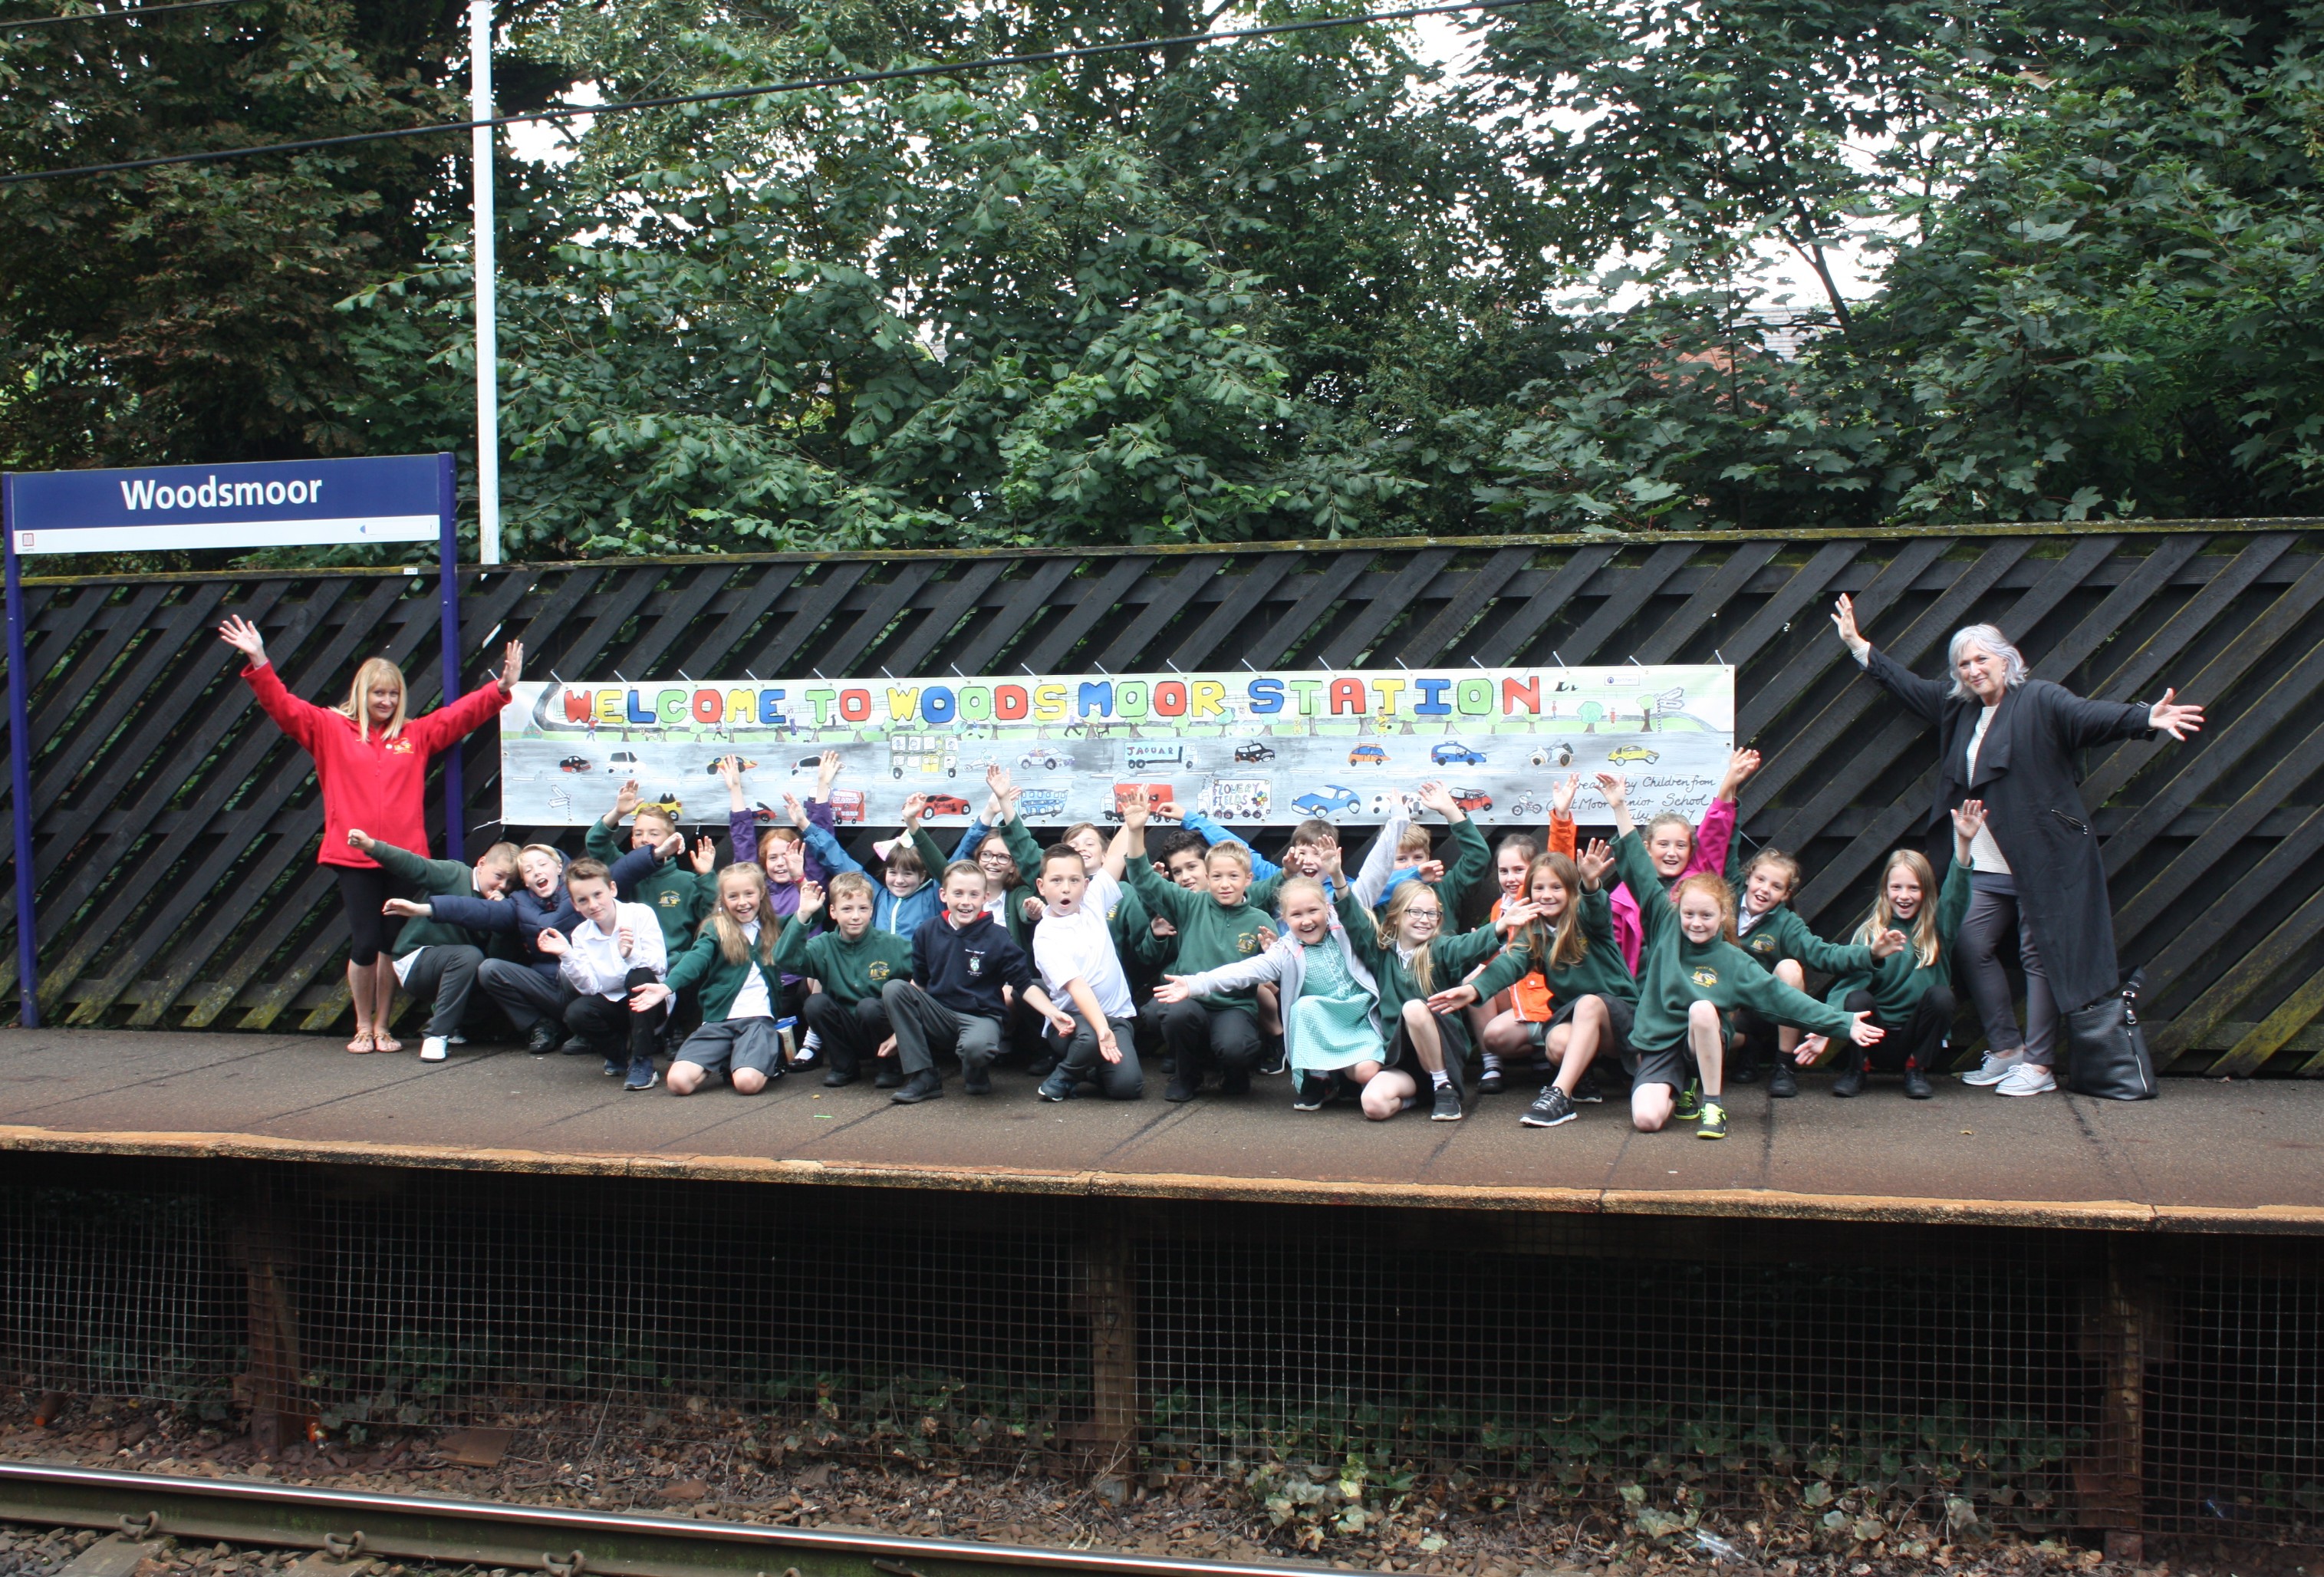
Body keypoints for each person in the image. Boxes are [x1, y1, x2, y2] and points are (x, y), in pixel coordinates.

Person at [1832, 595, 2204, 1097]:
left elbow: (2090, 717)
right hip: (1982, 863)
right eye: (1964, 663)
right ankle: (2006, 1049)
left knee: (2039, 954)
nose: (1973, 669)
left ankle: (2040, 1064)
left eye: (1981, 658)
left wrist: (2144, 719)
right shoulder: (1959, 711)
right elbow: (1911, 688)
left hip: (2043, 860)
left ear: (2007, 659)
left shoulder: (2042, 700)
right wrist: (1859, 646)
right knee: (1969, 943)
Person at [218, 614, 522, 1054]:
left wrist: (500, 689)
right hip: (352, 856)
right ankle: (361, 1025)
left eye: (393, 693)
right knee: (365, 941)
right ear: (363, 693)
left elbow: (458, 716)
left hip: (404, 857)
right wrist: (260, 659)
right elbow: (282, 705)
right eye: (379, 692)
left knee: (388, 943)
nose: (386, 699)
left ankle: (383, 1026)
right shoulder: (328, 728)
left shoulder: (413, 736)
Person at [1600, 772, 1887, 1140]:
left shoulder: (1732, 958)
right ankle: (1678, 1089)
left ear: (1723, 916)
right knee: (1647, 1120)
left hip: (1701, 1038)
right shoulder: (1663, 920)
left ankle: (1712, 1103)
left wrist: (1842, 1023)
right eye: (1689, 914)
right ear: (1677, 910)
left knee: (1702, 1009)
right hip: (1658, 1041)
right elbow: (1638, 868)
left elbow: (1783, 999)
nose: (1696, 923)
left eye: (1706, 916)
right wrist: (1620, 807)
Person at [1800, 801, 1983, 1100]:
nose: (1904, 896)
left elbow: (1956, 896)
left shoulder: (1938, 930)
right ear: (1885, 890)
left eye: (1914, 888)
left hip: (1916, 1039)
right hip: (1874, 1036)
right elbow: (1847, 988)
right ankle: (1858, 1069)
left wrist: (1964, 842)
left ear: (1926, 892)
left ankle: (1916, 1070)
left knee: (1941, 996)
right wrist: (1824, 1028)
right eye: (1897, 887)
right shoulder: (1872, 935)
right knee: (1858, 997)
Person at [1121, 798, 1299, 1102]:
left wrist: (1273, 955)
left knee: (1236, 1048)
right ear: (1207, 876)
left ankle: (1235, 1071)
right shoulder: (1190, 904)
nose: (1225, 884)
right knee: (1173, 1014)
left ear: (1248, 879)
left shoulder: (1259, 918)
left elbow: (1281, 972)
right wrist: (1136, 831)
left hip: (1234, 1006)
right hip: (1189, 999)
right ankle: (1186, 1075)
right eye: (1217, 877)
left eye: (1233, 877)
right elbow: (1144, 879)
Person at [1469, 843, 1637, 1131]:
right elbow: (1511, 964)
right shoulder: (1534, 932)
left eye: (1556, 888)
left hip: (1619, 1016)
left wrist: (1591, 883)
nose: (1547, 895)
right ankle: (1582, 1075)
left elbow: (1596, 908)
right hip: (1575, 1015)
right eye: (1539, 888)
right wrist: (1474, 990)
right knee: (1556, 1043)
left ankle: (1559, 1095)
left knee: (1588, 1002)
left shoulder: (1586, 918)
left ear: (1571, 890)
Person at [883, 862, 1055, 1105]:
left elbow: (1024, 984)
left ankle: (975, 1070)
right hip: (939, 1014)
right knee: (894, 989)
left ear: (985, 897)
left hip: (981, 1017)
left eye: (974, 895)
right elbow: (918, 985)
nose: (966, 901)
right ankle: (924, 1077)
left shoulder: (998, 937)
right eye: (958, 893)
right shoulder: (927, 931)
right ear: (944, 895)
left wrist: (1053, 1013)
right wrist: (900, 1032)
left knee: (977, 1048)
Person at [1728, 848, 1881, 1098]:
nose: (1765, 889)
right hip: (1728, 1005)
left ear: (1786, 894)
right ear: (1748, 876)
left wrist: (1871, 952)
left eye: (1776, 886)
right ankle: (1748, 1046)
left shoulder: (1787, 924)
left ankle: (1784, 1064)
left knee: (1790, 968)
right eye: (1760, 879)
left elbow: (1825, 955)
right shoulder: (1725, 904)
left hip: (1767, 1010)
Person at [353, 830, 519, 1062]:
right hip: (415, 960)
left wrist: (500, 920)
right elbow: (414, 865)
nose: (503, 885)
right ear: (481, 864)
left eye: (510, 882)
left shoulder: (502, 903)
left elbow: (498, 958)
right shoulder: (454, 874)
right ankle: (436, 1035)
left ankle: (455, 1023)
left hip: (456, 969)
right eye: (499, 876)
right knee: (469, 956)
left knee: (492, 971)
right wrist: (372, 846)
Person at [634, 864, 787, 1097]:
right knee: (678, 1083)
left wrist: (799, 879)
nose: (742, 902)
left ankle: (760, 1054)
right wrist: (667, 986)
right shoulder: (715, 928)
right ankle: (731, 1056)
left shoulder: (773, 927)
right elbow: (696, 958)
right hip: (719, 1021)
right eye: (733, 896)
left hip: (757, 1019)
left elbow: (810, 915)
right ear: (723, 899)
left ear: (761, 893)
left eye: (749, 894)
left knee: (746, 1084)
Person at [1606, 749, 1756, 973]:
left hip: (1692, 978)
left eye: (1681, 845)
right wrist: (1619, 807)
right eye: (1664, 844)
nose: (1672, 853)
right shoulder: (1624, 896)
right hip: (1643, 985)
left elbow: (1715, 831)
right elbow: (1613, 948)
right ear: (1647, 848)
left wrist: (1729, 783)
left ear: (1692, 850)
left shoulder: (1700, 876)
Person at [535, 858, 668, 1091]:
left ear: (613, 889)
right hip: (615, 1003)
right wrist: (566, 954)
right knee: (577, 1013)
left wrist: (630, 955)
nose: (593, 904)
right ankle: (618, 1056)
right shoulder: (580, 935)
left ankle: (642, 1061)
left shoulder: (640, 914)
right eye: (583, 900)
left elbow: (659, 966)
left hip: (652, 1004)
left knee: (640, 975)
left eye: (598, 894)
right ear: (575, 905)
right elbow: (590, 988)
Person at [775, 874, 917, 1088]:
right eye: (847, 909)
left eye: (863, 909)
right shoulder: (823, 945)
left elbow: (925, 972)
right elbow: (783, 959)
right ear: (833, 912)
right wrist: (803, 915)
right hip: (846, 1032)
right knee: (815, 1003)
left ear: (871, 910)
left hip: (881, 1030)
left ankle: (890, 1066)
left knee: (869, 1006)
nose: (855, 916)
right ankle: (844, 1066)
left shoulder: (892, 945)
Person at [1029, 845, 1144, 1101]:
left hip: (1115, 1017)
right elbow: (1078, 987)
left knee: (1127, 1088)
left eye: (1074, 880)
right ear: (1041, 886)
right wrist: (1102, 1030)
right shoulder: (1046, 936)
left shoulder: (1093, 901)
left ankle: (1089, 1069)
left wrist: (1132, 822)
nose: (1066, 888)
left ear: (1086, 884)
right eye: (1056, 881)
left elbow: (1115, 856)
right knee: (1090, 1038)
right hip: (1072, 1023)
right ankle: (1065, 1075)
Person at [790, 789, 947, 937]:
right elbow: (838, 861)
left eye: (908, 873)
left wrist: (911, 821)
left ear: (922, 876)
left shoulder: (934, 896)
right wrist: (805, 824)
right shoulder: (878, 896)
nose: (899, 880)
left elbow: (945, 870)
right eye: (893, 872)